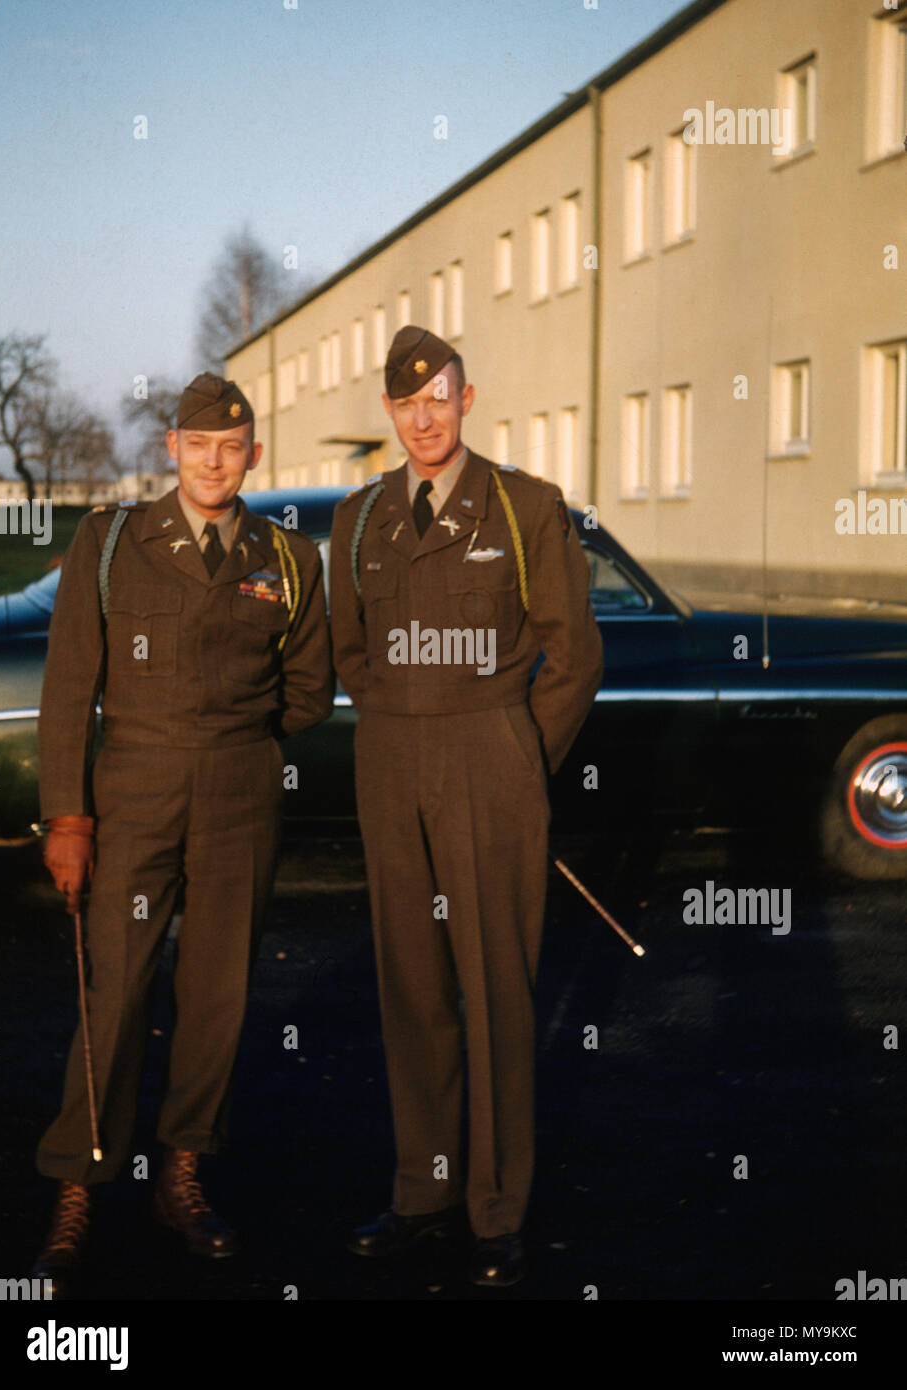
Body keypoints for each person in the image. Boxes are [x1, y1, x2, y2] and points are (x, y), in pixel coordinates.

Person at [32, 372, 333, 1294]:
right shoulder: (113, 539)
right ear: (172, 448)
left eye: (232, 446)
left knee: (217, 989)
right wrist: (69, 815)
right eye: (198, 444)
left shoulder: (287, 558)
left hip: (241, 789)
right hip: (134, 791)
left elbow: (311, 689)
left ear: (252, 455)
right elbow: (68, 686)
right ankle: (81, 1183)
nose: (214, 460)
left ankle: (183, 1173)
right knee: (116, 984)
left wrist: (240, 738)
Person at [330, 326, 603, 1287]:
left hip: (492, 758)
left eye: (438, 397)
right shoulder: (358, 520)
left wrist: (520, 755)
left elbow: (576, 655)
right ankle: (423, 1191)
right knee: (411, 987)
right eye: (406, 404)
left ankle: (495, 1209)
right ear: (391, 414)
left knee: (493, 986)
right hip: (392, 759)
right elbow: (351, 653)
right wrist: (402, 722)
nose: (423, 417)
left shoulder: (525, 506)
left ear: (467, 397)